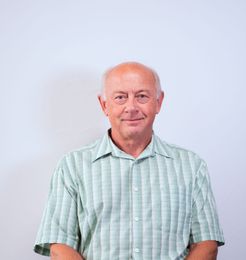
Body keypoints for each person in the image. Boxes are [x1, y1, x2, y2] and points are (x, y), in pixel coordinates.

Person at [34, 62, 224, 260]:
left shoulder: (191, 166)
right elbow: (60, 245)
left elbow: (206, 244)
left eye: (142, 96)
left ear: (158, 102)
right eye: (120, 97)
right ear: (104, 105)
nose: (131, 107)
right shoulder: (72, 166)